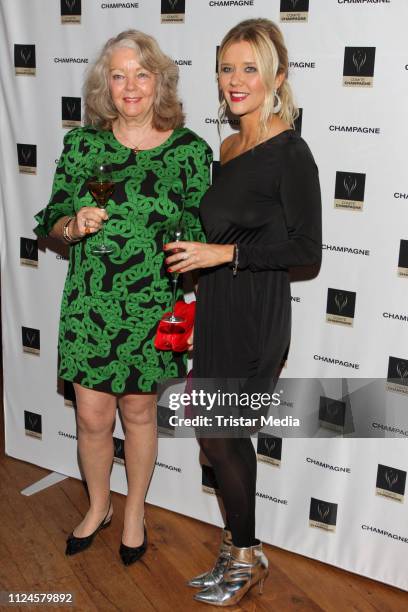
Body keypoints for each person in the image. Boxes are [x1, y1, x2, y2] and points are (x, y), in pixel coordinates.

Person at [34, 30, 211, 565]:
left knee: (138, 415)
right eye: (118, 74)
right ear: (104, 85)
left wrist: (192, 305)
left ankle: (133, 511)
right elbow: (50, 219)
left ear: (159, 80)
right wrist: (72, 223)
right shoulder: (82, 146)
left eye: (140, 73)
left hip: (153, 309)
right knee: (91, 418)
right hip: (90, 308)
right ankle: (97, 505)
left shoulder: (189, 152)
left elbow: (197, 238)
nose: (129, 85)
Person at [164, 18, 321, 606]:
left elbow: (306, 250)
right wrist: (198, 260)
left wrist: (222, 253)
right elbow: (232, 225)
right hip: (220, 303)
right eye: (227, 67)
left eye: (249, 68)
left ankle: (246, 556)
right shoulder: (229, 146)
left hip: (256, 310)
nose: (234, 80)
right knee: (217, 434)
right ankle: (239, 550)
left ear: (277, 76)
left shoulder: (290, 151)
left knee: (226, 434)